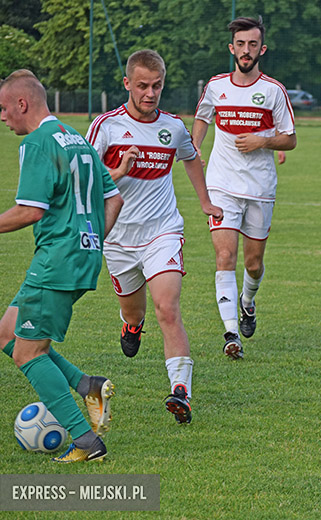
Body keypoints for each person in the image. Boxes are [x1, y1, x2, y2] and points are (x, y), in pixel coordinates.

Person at [86, 50, 223, 424]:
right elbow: (84, 179)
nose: (150, 93)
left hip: (163, 231)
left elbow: (190, 156)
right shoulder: (106, 127)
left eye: (157, 86)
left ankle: (181, 390)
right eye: (143, 86)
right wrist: (118, 169)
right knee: (136, 309)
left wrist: (206, 202)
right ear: (127, 83)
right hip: (118, 239)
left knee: (167, 307)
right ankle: (131, 325)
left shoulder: (173, 127)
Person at [0, 70, 124, 462]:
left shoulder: (37, 143)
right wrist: (91, 240)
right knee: (6, 332)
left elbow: (30, 210)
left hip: (57, 259)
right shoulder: (79, 141)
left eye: (4, 108)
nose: (2, 117)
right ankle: (86, 385)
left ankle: (86, 441)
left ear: (23, 104)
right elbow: (114, 198)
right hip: (80, 255)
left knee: (28, 353)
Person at [192, 16, 296, 360]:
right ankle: (230, 333)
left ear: (261, 49)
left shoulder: (273, 91)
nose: (246, 50)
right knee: (225, 256)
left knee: (253, 264)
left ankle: (247, 302)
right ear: (231, 48)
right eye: (241, 44)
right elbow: (203, 117)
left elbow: (290, 139)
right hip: (222, 184)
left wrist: (263, 140)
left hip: (260, 188)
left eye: (252, 44)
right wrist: (194, 152)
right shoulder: (216, 86)